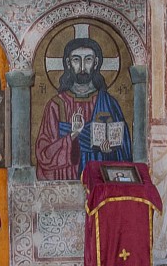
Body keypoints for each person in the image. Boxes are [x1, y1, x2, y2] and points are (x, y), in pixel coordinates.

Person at [34, 34, 131, 179]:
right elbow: (43, 153)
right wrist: (73, 135)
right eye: (76, 60)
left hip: (100, 178)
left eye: (88, 59)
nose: (82, 67)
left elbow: (125, 150)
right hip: (67, 180)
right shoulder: (56, 105)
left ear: (96, 62)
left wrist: (110, 150)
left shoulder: (109, 103)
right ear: (68, 63)